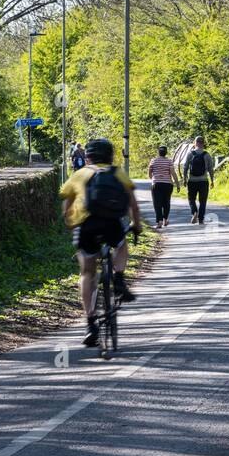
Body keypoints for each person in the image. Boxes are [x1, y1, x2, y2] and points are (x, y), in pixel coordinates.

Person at [59, 137, 143, 347]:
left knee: (87, 272)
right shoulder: (117, 173)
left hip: (86, 226)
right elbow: (133, 203)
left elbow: (67, 205)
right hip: (111, 224)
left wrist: (70, 224)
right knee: (121, 243)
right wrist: (136, 224)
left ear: (87, 157)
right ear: (110, 155)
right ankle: (120, 278)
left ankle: (91, 323)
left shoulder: (80, 174)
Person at [184, 136, 215, 224]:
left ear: (195, 143)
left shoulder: (190, 154)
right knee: (203, 201)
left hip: (192, 181)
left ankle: (194, 212)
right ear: (203, 143)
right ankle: (201, 219)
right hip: (203, 181)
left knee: (191, 199)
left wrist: (185, 179)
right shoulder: (207, 154)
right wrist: (212, 180)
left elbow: (185, 167)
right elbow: (210, 169)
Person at [147, 144, 177, 229]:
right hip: (168, 184)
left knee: (157, 203)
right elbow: (173, 172)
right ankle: (165, 220)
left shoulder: (153, 160)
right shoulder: (169, 161)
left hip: (156, 184)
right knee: (166, 202)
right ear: (166, 153)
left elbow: (150, 171)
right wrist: (177, 183)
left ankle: (159, 221)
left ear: (158, 152)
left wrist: (152, 178)